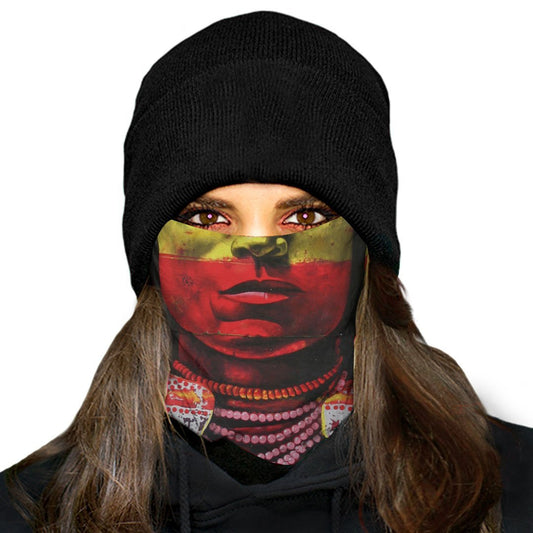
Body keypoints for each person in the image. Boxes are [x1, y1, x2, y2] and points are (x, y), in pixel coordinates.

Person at [1, 10, 532, 533]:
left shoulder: (512, 492)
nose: (257, 254)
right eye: (207, 218)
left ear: (367, 252)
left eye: (305, 217)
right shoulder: (29, 512)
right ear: (153, 258)